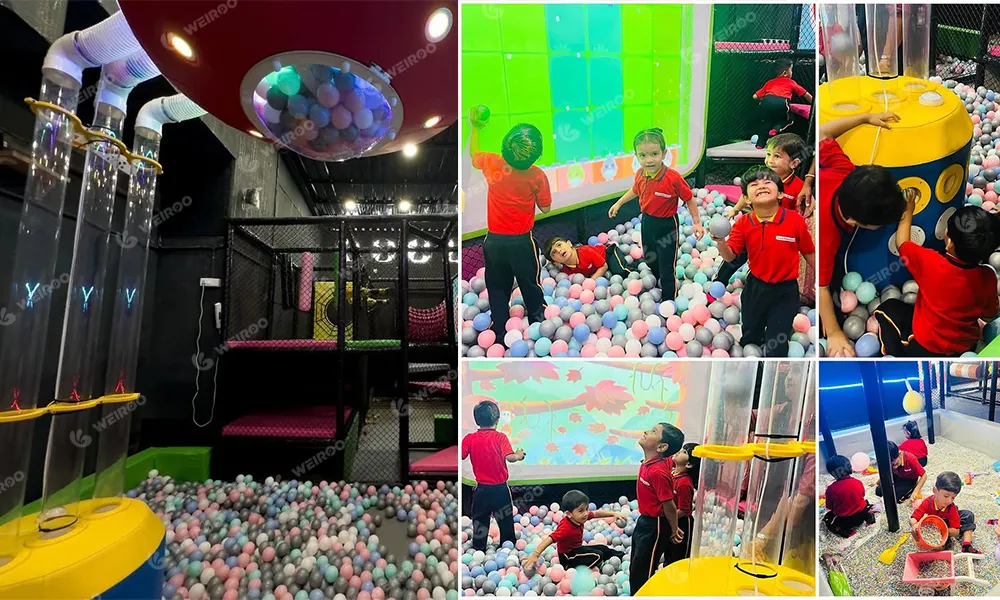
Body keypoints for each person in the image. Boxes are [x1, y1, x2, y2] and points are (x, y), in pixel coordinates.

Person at [817, 112, 908, 357]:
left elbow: (821, 133)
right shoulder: (826, 232)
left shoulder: (845, 172)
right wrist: (835, 333)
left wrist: (865, 117)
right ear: (854, 222)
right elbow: (821, 286)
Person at [713, 166, 815, 357]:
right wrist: (720, 243)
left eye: (768, 182)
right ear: (747, 198)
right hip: (756, 288)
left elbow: (809, 252)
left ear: (781, 194)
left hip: (785, 292)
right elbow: (731, 257)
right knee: (750, 335)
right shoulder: (744, 223)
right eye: (754, 184)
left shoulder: (794, 221)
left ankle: (776, 369)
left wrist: (820, 278)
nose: (761, 185)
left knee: (777, 343)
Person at [873, 205, 1000, 356]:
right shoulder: (988, 277)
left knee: (887, 308)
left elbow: (901, 243)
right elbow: (989, 314)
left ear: (949, 243)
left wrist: (907, 210)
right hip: (965, 346)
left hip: (926, 346)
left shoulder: (930, 263)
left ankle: (896, 353)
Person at [469, 112, 552, 340]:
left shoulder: (494, 163)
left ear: (504, 146)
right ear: (536, 155)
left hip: (494, 241)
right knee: (529, 281)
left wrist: (475, 127)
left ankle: (499, 326)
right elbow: (546, 208)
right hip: (521, 241)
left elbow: (473, 155)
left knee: (496, 284)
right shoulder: (537, 175)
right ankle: (538, 319)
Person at [607, 128, 702, 302]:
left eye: (654, 154)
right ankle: (658, 279)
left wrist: (696, 223)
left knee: (666, 266)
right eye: (642, 155)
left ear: (664, 153)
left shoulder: (673, 178)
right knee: (650, 258)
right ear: (636, 156)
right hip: (648, 222)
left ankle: (669, 300)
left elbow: (689, 199)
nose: (649, 160)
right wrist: (619, 203)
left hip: (667, 225)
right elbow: (635, 190)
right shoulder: (640, 174)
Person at [718, 133, 811, 285]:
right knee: (736, 256)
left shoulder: (798, 188)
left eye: (777, 156)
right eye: (768, 154)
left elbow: (798, 214)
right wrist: (735, 209)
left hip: (776, 237)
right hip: (754, 229)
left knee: (764, 266)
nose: (770, 160)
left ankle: (756, 285)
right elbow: (746, 195)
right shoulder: (760, 176)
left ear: (794, 163)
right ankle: (719, 282)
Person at [629, 422, 685, 594]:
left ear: (661, 446)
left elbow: (669, 505)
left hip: (657, 525)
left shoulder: (658, 472)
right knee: (636, 564)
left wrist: (674, 530)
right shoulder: (648, 462)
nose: (646, 431)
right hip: (645, 520)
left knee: (643, 570)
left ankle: (641, 594)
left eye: (653, 431)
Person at [462, 400, 525, 551]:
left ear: (476, 420)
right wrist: (519, 454)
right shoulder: (500, 438)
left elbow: (461, 455)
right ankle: (507, 546)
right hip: (500, 489)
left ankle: (479, 546)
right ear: (497, 420)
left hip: (481, 489)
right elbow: (510, 457)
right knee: (505, 519)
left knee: (480, 520)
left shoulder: (470, 438)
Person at [520, 490, 628, 569]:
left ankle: (624, 558)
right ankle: (574, 569)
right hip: (567, 557)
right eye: (581, 510)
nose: (586, 513)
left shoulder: (580, 517)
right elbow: (549, 539)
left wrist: (614, 513)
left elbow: (595, 513)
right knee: (598, 556)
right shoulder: (566, 528)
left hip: (577, 549)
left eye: (586, 509)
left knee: (602, 548)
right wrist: (535, 555)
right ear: (569, 514)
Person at [910, 472, 981, 554]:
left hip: (947, 526)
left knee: (968, 515)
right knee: (943, 545)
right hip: (934, 524)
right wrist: (914, 524)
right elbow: (914, 517)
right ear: (935, 490)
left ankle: (966, 545)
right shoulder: (928, 502)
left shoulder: (951, 508)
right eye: (946, 496)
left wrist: (943, 530)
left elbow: (956, 531)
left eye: (953, 498)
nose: (949, 501)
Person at [752, 58, 813, 148]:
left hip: (766, 101)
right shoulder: (791, 82)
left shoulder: (769, 83)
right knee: (789, 120)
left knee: (766, 122)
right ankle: (775, 129)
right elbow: (805, 94)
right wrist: (814, 103)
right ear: (785, 73)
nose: (792, 73)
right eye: (791, 70)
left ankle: (760, 144)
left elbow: (755, 96)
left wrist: (764, 101)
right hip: (781, 102)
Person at [822, 455, 876, 538]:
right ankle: (868, 516)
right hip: (861, 514)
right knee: (865, 502)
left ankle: (843, 530)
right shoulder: (858, 482)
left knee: (827, 519)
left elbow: (830, 507)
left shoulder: (831, 489)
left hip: (846, 520)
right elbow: (862, 495)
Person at [666, 442, 700, 565]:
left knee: (679, 555)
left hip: (683, 522)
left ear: (689, 464)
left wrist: (669, 518)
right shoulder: (672, 473)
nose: (679, 451)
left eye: (684, 452)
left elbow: (684, 509)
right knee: (669, 551)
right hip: (673, 520)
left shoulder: (684, 483)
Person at [542, 236, 632, 279]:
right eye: (554, 252)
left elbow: (604, 266)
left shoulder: (585, 251)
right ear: (556, 262)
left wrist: (591, 281)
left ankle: (635, 270)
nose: (559, 250)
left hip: (608, 254)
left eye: (559, 245)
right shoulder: (567, 272)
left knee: (620, 271)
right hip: (598, 267)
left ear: (569, 243)